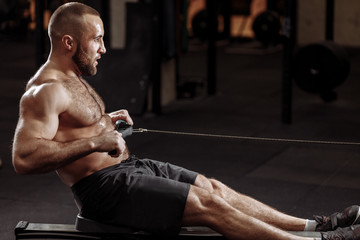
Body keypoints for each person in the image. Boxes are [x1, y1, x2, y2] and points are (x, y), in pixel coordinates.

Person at [11, 2, 360, 240]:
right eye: (97, 39)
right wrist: (94, 141)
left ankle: (316, 225)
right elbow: (24, 159)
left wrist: (104, 121)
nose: (103, 48)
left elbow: (73, 126)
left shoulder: (73, 75)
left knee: (214, 189)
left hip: (128, 169)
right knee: (206, 206)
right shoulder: (45, 91)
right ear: (69, 42)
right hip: (103, 190)